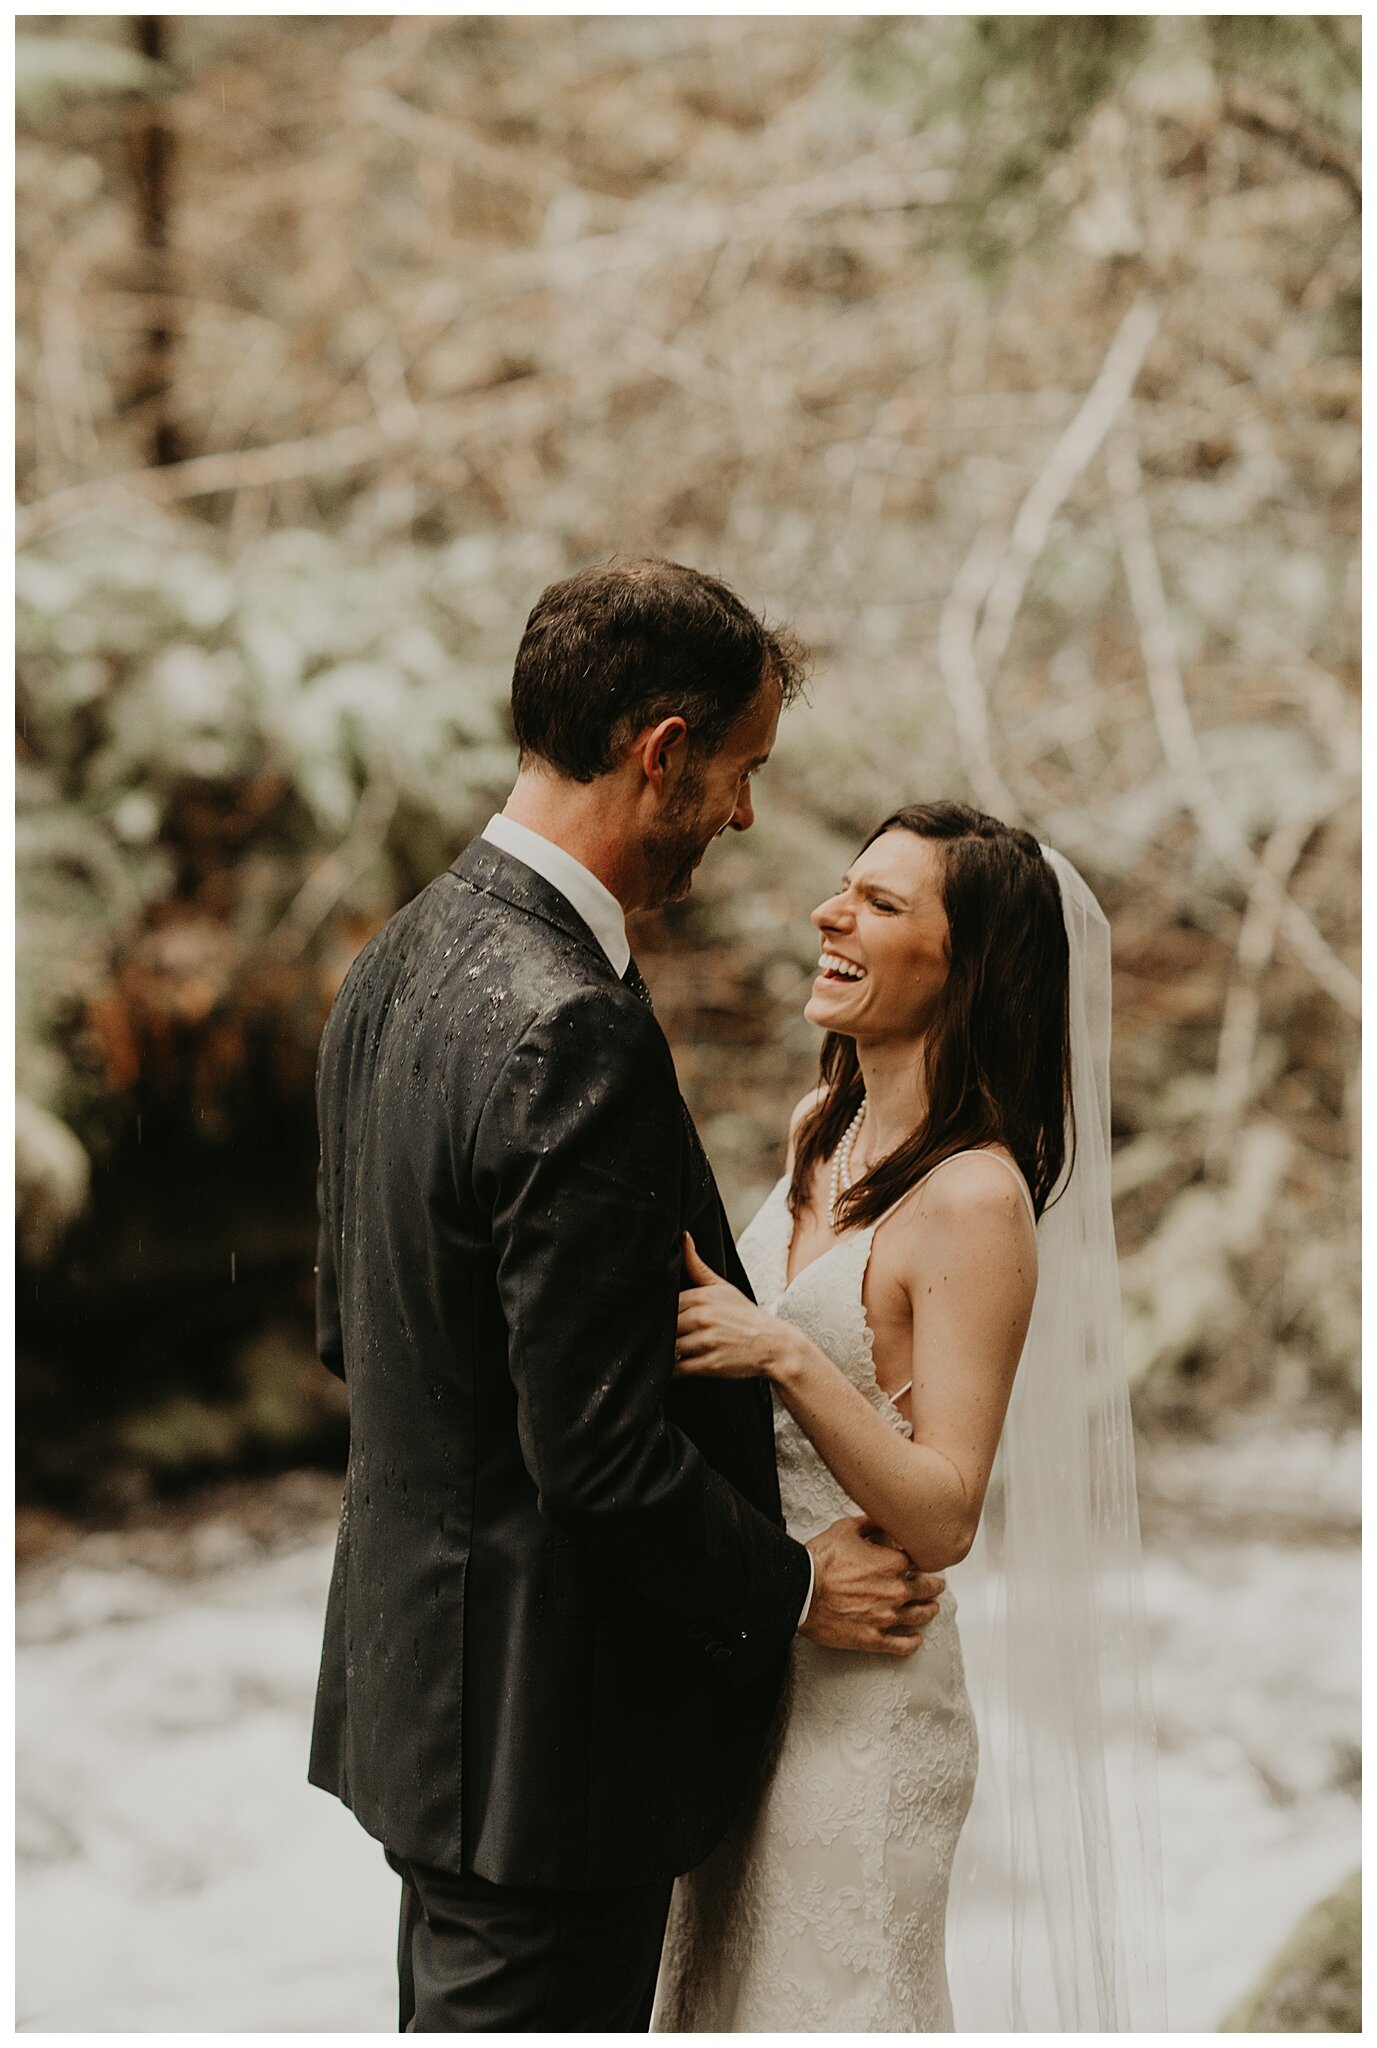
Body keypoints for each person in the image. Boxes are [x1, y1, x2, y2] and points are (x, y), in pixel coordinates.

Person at [306, 559, 945, 2033]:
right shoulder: (566, 1025)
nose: (741, 817)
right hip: (552, 1743)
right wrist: (792, 1587)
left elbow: (355, 1324)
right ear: (661, 751)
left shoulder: (393, 962)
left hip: (425, 1705)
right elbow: (592, 1453)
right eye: (738, 773)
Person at [652, 803, 1166, 2032]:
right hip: (758, 1656)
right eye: (844, 889)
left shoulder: (976, 1196)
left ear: (969, 963)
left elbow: (944, 1511)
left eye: (882, 903)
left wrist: (783, 1350)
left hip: (865, 1704)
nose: (832, 915)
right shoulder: (817, 1126)